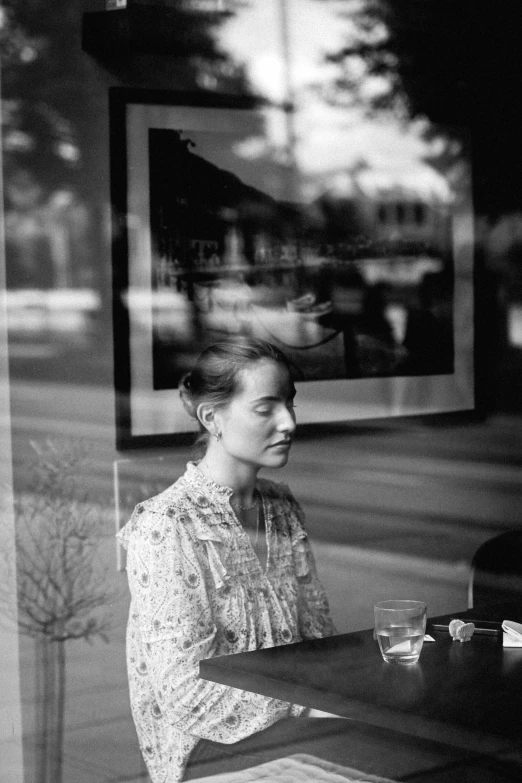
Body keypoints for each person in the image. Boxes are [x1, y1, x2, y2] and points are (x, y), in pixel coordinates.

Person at [117, 337, 339, 783]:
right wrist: (307, 706)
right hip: (211, 756)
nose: (289, 422)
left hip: (300, 734)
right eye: (266, 408)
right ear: (211, 417)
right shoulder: (167, 525)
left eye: (290, 403)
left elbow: (318, 639)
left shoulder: (281, 506)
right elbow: (184, 697)